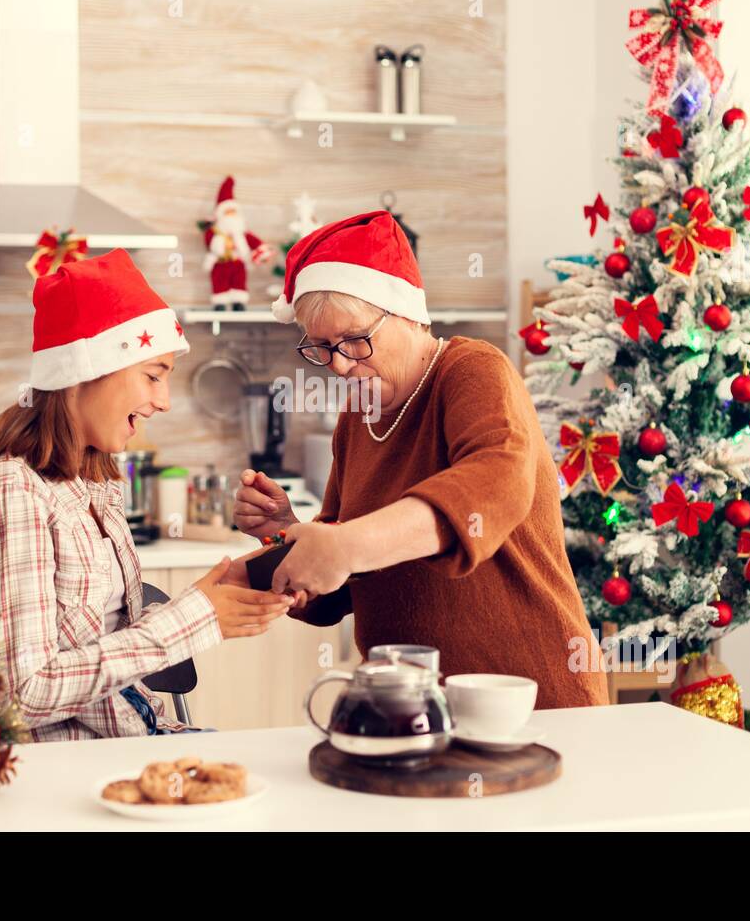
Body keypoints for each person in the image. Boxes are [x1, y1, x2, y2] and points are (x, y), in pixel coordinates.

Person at [236, 211, 608, 709]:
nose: (342, 364)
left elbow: (493, 485)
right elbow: (343, 578)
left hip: (527, 698)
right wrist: (286, 533)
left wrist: (345, 545)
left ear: (408, 314)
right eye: (323, 348)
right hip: (413, 708)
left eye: (354, 339)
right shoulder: (359, 415)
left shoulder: (473, 370)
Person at [0, 250, 294, 740]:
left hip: (135, 736)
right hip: (73, 769)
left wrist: (215, 594)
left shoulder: (93, 482)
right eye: (153, 374)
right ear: (87, 369)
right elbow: (23, 694)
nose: (163, 401)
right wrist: (192, 620)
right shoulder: (13, 489)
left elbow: (110, 639)